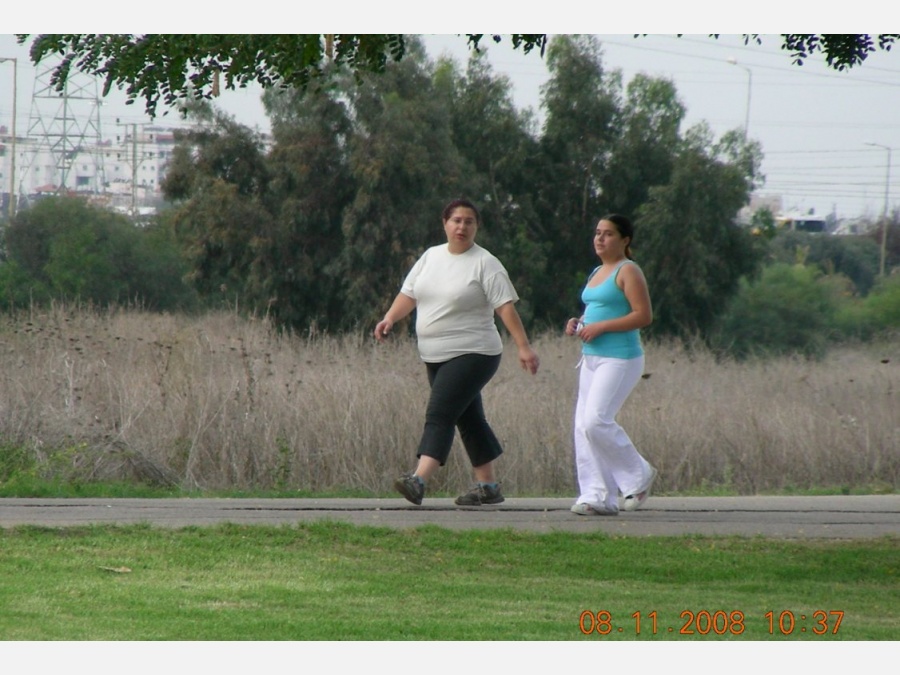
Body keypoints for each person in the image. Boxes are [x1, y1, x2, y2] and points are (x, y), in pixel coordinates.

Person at [374, 198, 540, 506]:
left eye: (469, 221)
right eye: (456, 220)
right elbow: (409, 295)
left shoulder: (485, 262)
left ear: (477, 227)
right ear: (445, 224)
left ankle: (419, 479)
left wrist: (523, 347)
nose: (462, 226)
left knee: (440, 413)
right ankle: (488, 486)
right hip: (434, 354)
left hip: (475, 352)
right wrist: (389, 318)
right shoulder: (430, 257)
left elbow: (505, 307)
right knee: (469, 417)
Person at [564, 214, 657, 516]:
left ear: (625, 240)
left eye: (608, 234)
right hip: (590, 357)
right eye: (597, 233)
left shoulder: (628, 270)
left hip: (620, 358)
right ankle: (597, 497)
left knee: (596, 420)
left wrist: (602, 327)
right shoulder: (597, 271)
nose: (600, 239)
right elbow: (596, 308)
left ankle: (638, 475)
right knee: (582, 427)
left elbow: (643, 315)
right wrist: (578, 323)